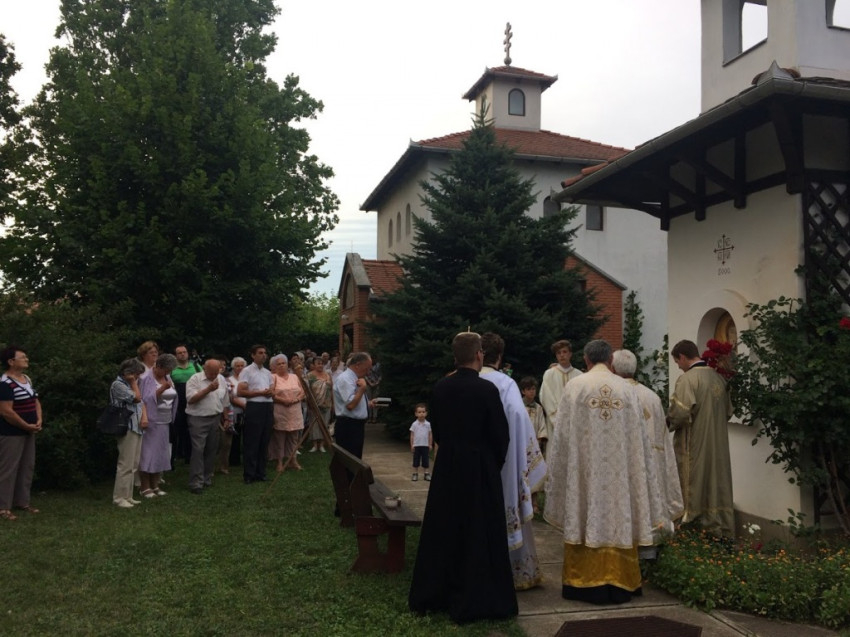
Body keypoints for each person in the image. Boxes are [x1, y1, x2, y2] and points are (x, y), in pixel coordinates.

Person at [545, 339, 667, 604]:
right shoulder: (627, 389)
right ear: (610, 360)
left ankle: (583, 582)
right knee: (618, 517)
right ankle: (622, 580)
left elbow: (562, 438)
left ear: (586, 360)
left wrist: (562, 471)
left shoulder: (575, 387)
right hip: (620, 476)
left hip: (585, 473)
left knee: (584, 513)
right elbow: (639, 442)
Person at [409, 332, 518, 624]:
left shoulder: (441, 387)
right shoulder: (486, 390)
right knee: (478, 530)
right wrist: (492, 464)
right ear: (479, 355)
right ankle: (478, 595)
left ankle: (437, 592)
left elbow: (438, 430)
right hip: (480, 467)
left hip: (447, 466)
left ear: (455, 357)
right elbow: (500, 435)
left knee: (445, 527)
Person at [479, 333, 546, 591]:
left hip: (475, 459)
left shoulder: (467, 379)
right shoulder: (506, 384)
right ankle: (514, 571)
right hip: (504, 460)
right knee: (507, 507)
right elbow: (519, 419)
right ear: (500, 356)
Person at [612, 349, 684, 552]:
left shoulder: (614, 394)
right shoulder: (652, 397)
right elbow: (662, 436)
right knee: (649, 504)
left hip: (624, 461)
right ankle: (651, 548)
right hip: (651, 462)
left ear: (613, 368)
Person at [667, 339, 735, 538]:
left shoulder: (688, 380)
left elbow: (680, 413)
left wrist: (666, 423)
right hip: (718, 443)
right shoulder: (719, 378)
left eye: (677, 362)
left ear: (682, 357)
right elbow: (728, 411)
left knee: (693, 482)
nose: (678, 366)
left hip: (694, 443)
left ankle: (692, 530)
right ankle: (719, 529)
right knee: (716, 481)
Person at [0, 346, 43, 520]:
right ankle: (3, 507)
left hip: (29, 431)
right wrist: (25, 425)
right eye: (22, 357)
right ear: (11, 362)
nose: (26, 359)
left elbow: (35, 401)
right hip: (11, 433)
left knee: (26, 466)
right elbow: (6, 411)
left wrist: (38, 420)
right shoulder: (4, 383)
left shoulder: (26, 379)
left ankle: (22, 502)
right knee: (8, 469)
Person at [185, 358, 230, 494]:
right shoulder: (195, 379)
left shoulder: (221, 379)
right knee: (198, 450)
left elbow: (225, 400)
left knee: (212, 449)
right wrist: (208, 389)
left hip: (215, 417)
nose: (214, 376)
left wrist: (226, 417)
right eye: (212, 373)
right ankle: (196, 483)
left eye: (216, 373)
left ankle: (207, 477)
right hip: (198, 418)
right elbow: (191, 399)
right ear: (205, 369)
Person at [139, 353, 178, 498]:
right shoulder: (145, 378)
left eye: (169, 371)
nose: (168, 373)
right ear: (159, 366)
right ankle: (145, 487)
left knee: (160, 453)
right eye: (166, 370)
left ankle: (155, 485)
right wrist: (162, 389)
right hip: (151, 421)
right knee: (148, 453)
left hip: (165, 420)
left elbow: (173, 395)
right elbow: (143, 399)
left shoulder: (167, 377)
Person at [110, 358, 147, 508]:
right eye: (136, 374)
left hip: (136, 427)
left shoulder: (130, 384)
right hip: (126, 427)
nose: (138, 377)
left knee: (133, 463)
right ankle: (119, 497)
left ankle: (128, 495)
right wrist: (133, 383)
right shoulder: (118, 385)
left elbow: (140, 402)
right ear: (128, 373)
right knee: (125, 464)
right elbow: (137, 398)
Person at [238, 345, 274, 484]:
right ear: (253, 355)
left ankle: (261, 472)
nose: (263, 355)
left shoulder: (268, 372)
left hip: (267, 406)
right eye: (260, 353)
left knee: (264, 441)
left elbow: (272, 388)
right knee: (252, 441)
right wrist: (260, 392)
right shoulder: (246, 371)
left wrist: (270, 392)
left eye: (265, 353)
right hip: (254, 406)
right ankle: (249, 474)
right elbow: (240, 391)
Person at [539, 339, 582, 455]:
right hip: (555, 422)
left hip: (574, 422)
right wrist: (557, 417)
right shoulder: (549, 374)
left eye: (564, 352)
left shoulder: (579, 375)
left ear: (570, 354)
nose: (562, 355)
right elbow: (545, 396)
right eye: (559, 353)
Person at [332, 352, 376, 460]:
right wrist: (362, 389)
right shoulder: (345, 379)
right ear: (358, 365)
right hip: (348, 426)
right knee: (349, 460)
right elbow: (350, 405)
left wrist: (367, 403)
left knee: (356, 458)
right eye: (366, 368)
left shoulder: (354, 378)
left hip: (356, 425)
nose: (367, 372)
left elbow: (355, 399)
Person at [268, 354, 305, 473]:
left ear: (287, 365)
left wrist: (296, 399)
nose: (281, 365)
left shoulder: (294, 376)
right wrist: (283, 400)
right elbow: (271, 393)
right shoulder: (273, 377)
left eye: (283, 363)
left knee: (294, 437)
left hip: (295, 409)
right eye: (278, 364)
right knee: (280, 437)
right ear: (275, 366)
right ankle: (279, 461)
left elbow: (303, 391)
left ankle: (293, 460)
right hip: (280, 410)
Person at [518, 375, 547, 514]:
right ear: (523, 391)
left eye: (534, 389)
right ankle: (521, 503)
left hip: (534, 445)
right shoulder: (518, 405)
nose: (532, 392)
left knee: (535, 473)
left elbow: (542, 425)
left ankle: (534, 504)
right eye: (529, 389)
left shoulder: (539, 408)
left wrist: (540, 439)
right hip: (521, 444)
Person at [171, 344, 202, 463]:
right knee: (177, 428)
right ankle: (176, 454)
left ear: (187, 353)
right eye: (179, 353)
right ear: (176, 355)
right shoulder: (172, 368)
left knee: (192, 428)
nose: (182, 354)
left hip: (193, 400)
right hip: (177, 402)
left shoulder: (196, 366)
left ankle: (189, 455)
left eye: (184, 352)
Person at [220, 356, 247, 473]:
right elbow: (230, 397)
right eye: (237, 366)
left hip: (248, 411)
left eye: (242, 366)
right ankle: (233, 460)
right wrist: (244, 406)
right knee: (234, 436)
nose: (240, 368)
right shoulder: (229, 380)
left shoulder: (247, 379)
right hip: (234, 411)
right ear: (233, 367)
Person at [306, 355, 332, 453]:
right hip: (314, 403)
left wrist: (333, 402)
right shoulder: (309, 376)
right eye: (318, 363)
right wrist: (309, 402)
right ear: (314, 365)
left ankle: (322, 445)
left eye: (321, 363)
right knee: (314, 424)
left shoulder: (328, 375)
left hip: (326, 403)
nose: (320, 365)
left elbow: (331, 389)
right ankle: (314, 445)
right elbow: (307, 390)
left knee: (324, 423)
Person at [409, 403, 433, 482]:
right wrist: (412, 445)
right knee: (416, 460)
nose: (421, 414)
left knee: (426, 460)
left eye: (423, 412)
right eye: (419, 412)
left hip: (425, 445)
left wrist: (430, 444)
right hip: (416, 445)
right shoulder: (414, 424)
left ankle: (426, 473)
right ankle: (415, 473)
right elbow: (412, 435)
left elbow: (430, 434)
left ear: (426, 413)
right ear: (416, 414)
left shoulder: (428, 424)